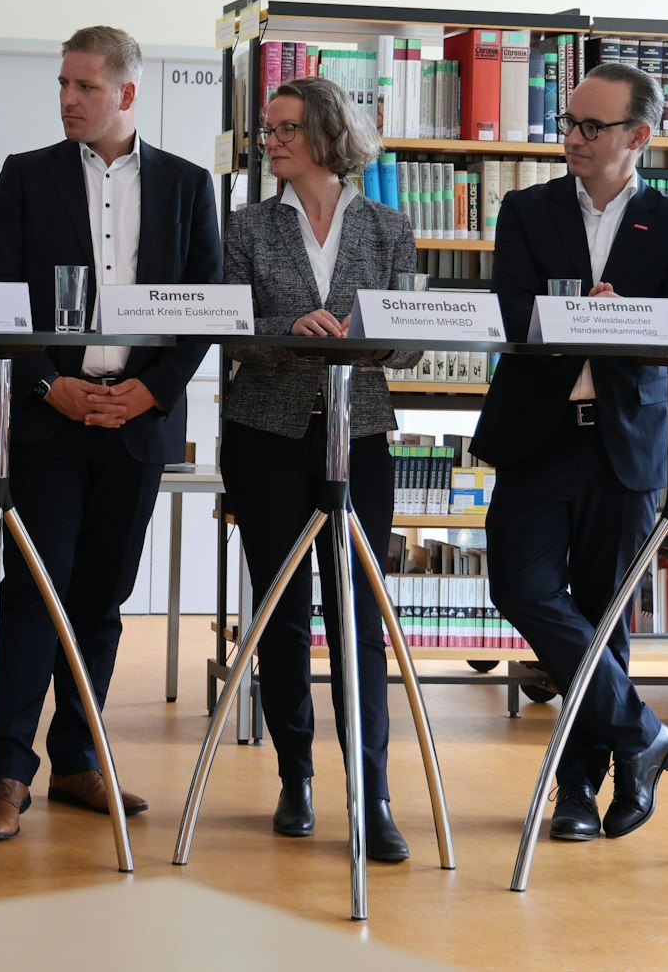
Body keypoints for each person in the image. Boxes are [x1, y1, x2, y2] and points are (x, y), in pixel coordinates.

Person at [0, 25, 221, 840]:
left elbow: (206, 309)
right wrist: (53, 385)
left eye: (84, 87)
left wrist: (149, 391)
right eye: (62, 85)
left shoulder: (188, 186)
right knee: (33, 595)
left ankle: (79, 756)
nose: (68, 100)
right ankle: (9, 771)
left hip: (138, 425)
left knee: (103, 599)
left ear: (127, 93)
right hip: (51, 419)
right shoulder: (25, 178)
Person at [471, 62, 668, 844]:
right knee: (518, 584)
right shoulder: (526, 209)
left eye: (592, 127)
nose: (573, 137)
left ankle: (579, 790)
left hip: (625, 444)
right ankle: (641, 732)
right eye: (570, 124)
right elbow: (512, 311)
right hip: (538, 435)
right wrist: (576, 316)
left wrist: (628, 316)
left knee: (608, 618)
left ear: (638, 136)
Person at [220, 76, 419, 861]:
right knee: (282, 613)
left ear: (330, 135)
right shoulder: (244, 226)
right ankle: (295, 776)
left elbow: (408, 341)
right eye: (269, 128)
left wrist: (365, 330)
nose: (272, 140)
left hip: (359, 437)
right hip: (264, 434)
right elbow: (228, 326)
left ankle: (372, 792)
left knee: (357, 621)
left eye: (288, 127)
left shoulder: (390, 227)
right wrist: (286, 324)